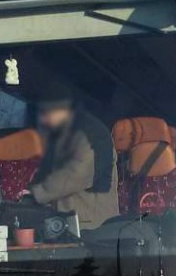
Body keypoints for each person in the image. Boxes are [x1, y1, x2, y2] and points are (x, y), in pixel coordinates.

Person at [25, 92, 119, 230]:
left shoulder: (94, 135)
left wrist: (38, 193)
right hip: (74, 221)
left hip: (93, 225)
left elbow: (77, 174)